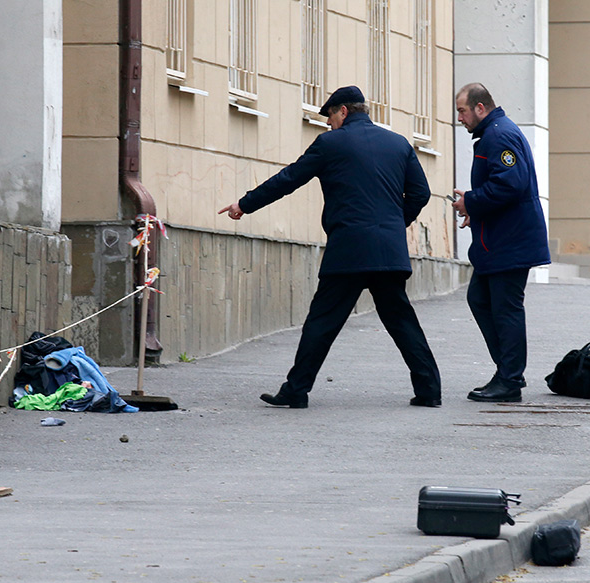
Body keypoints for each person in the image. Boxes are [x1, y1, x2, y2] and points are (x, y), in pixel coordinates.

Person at [218, 85, 441, 409]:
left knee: (322, 321)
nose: (328, 125)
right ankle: (429, 390)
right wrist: (393, 225)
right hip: (389, 251)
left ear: (343, 112)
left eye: (330, 118)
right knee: (401, 320)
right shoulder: (399, 144)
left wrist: (245, 204)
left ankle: (296, 390)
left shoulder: (331, 144)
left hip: (349, 250)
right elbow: (420, 194)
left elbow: (289, 179)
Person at [451, 83, 550, 403]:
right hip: (500, 238)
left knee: (504, 308)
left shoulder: (498, 135)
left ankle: (509, 379)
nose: (460, 119)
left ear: (480, 108)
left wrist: (472, 202)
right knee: (480, 299)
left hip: (510, 241)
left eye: (462, 111)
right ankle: (507, 372)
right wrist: (476, 210)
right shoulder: (494, 132)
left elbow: (510, 184)